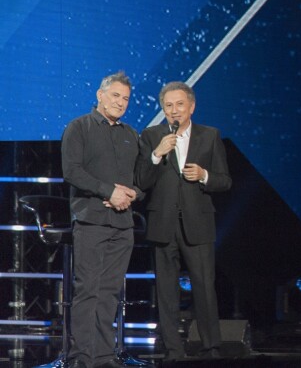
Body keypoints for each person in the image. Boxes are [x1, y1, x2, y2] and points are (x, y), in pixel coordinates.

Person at [135, 81, 231, 361]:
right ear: (163, 109)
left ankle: (211, 347)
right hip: (162, 223)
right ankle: (172, 350)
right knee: (166, 291)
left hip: (197, 223)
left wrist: (203, 175)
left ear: (191, 107)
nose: (174, 111)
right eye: (168, 106)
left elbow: (224, 181)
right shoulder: (151, 136)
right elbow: (141, 180)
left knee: (204, 286)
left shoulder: (210, 136)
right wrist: (156, 154)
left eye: (179, 105)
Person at [61, 71, 141, 368]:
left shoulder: (130, 134)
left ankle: (105, 357)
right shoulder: (79, 127)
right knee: (89, 290)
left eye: (126, 99)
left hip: (123, 224)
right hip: (92, 220)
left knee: (109, 293)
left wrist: (133, 194)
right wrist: (108, 191)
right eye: (115, 96)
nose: (120, 103)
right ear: (100, 94)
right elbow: (72, 171)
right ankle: (82, 358)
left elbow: (141, 177)